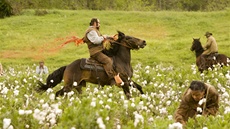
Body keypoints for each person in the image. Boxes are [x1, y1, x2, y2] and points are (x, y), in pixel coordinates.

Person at [83, 18, 123, 86]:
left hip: (100, 50)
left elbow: (100, 38)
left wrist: (109, 37)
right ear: (95, 23)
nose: (100, 24)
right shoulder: (91, 31)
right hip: (96, 53)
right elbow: (96, 41)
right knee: (108, 61)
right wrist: (103, 37)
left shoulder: (94, 30)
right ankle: (112, 79)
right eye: (99, 23)